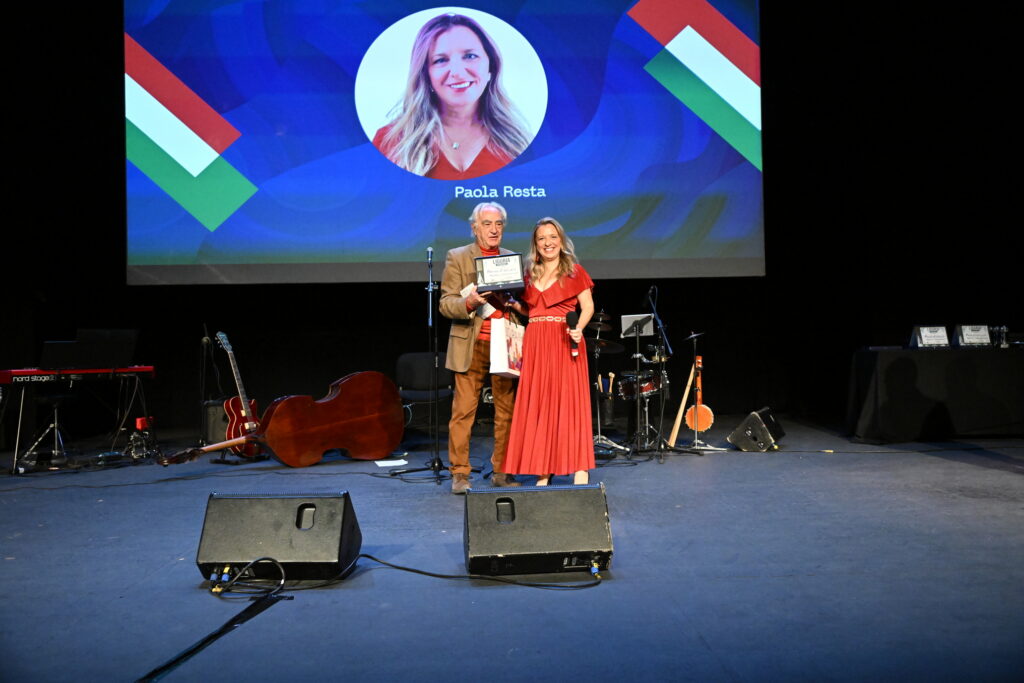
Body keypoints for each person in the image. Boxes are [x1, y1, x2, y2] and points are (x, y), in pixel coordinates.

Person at [372, 13, 532, 180]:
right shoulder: (389, 142)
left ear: (491, 66)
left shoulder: (519, 143)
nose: (457, 72)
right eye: (440, 60)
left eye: (470, 56)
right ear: (426, 74)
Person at [503, 218, 595, 485]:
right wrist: (512, 304)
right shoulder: (529, 273)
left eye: (552, 237)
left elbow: (588, 307)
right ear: (536, 243)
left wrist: (579, 329)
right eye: (542, 238)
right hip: (536, 341)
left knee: (570, 403)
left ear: (561, 240)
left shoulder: (574, 271)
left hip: (564, 339)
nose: (548, 243)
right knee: (541, 404)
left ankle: (580, 467)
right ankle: (544, 468)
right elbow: (532, 309)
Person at [439, 202, 523, 493]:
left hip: (504, 343)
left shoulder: (511, 259)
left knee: (506, 412)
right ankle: (460, 474)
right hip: (471, 343)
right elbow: (446, 303)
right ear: (474, 228)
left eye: (498, 224)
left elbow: (522, 304)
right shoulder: (458, 256)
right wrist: (469, 302)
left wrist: (514, 301)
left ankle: (502, 470)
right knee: (463, 412)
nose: (493, 229)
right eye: (487, 224)